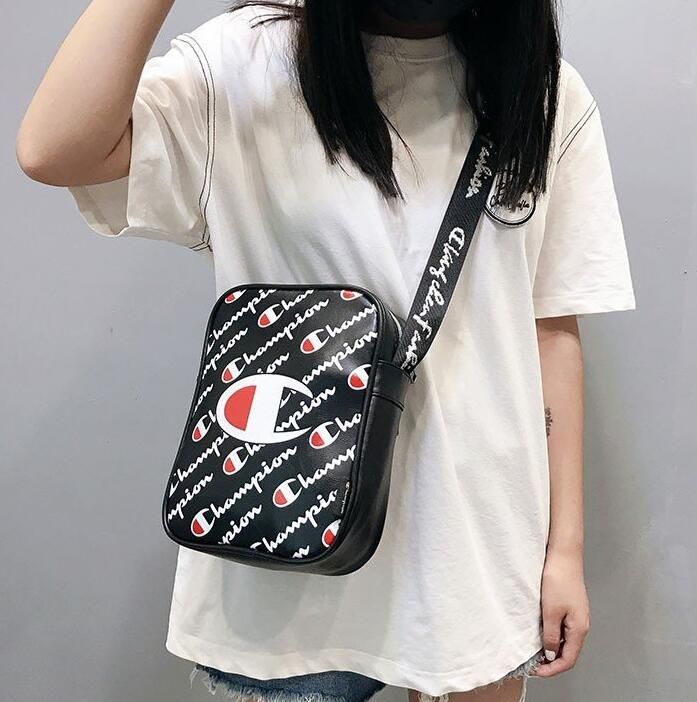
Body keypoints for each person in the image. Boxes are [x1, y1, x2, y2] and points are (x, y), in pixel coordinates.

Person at [16, 0, 637, 700]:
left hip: (474, 554)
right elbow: (55, 148)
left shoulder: (542, 91)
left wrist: (563, 550)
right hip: (287, 570)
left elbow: (549, 330)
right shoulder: (246, 66)